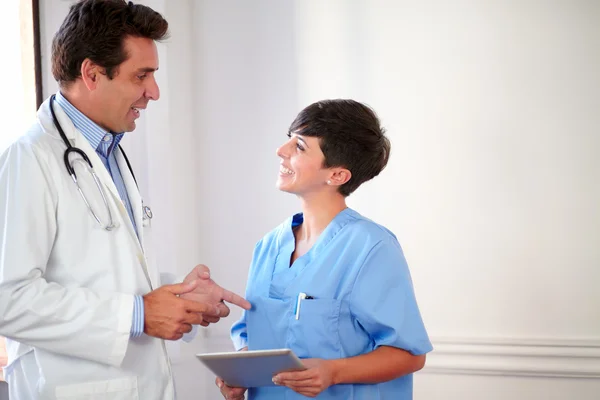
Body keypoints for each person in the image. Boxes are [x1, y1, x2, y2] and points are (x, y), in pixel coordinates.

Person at [0, 1, 250, 399]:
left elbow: (100, 272)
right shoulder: (29, 157)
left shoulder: (107, 150)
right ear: (92, 73)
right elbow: (8, 298)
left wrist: (178, 296)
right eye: (141, 76)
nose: (154, 92)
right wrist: (140, 314)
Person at [217, 99, 432, 399]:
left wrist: (334, 372)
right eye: (288, 138)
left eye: (300, 146)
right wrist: (240, 375)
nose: (281, 150)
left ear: (337, 175)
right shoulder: (268, 246)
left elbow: (410, 354)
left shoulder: (371, 247)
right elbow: (253, 336)